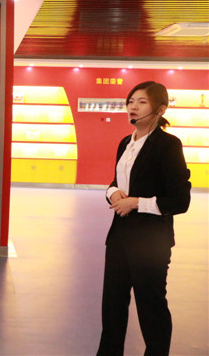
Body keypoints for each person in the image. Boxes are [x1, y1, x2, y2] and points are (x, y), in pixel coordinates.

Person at [97, 81, 191, 356]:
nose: (133, 107)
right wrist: (113, 193)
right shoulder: (125, 143)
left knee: (151, 307)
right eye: (131, 101)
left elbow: (179, 200)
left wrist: (136, 202)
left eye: (142, 102)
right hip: (119, 237)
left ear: (160, 109)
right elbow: (116, 182)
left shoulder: (168, 145)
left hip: (151, 242)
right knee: (112, 306)